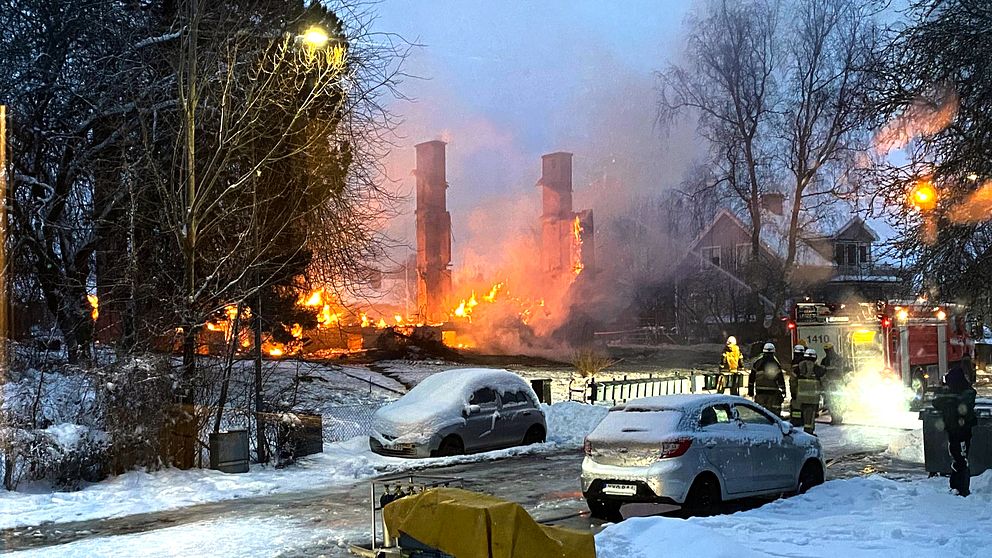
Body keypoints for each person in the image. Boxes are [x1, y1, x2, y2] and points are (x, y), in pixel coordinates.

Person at [932, 366, 978, 496]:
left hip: (963, 431)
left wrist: (950, 399)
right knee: (956, 459)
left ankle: (962, 488)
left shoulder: (968, 392)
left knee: (962, 460)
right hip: (953, 430)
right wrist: (949, 398)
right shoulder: (950, 392)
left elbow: (963, 402)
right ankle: (956, 486)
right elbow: (936, 402)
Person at [790, 348, 822, 434]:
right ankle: (808, 433)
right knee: (810, 418)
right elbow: (824, 382)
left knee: (799, 413)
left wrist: (793, 392)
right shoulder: (818, 369)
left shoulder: (798, 368)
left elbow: (792, 380)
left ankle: (798, 427)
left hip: (800, 397)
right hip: (813, 399)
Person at [749, 342, 786, 416]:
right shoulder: (775, 363)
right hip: (772, 392)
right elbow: (780, 378)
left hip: (760, 392)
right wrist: (783, 390)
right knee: (772, 414)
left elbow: (752, 377)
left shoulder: (757, 362)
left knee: (760, 413)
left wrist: (751, 391)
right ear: (773, 351)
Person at [819, 342, 846, 424]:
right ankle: (835, 417)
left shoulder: (837, 359)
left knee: (836, 401)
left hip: (835, 383)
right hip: (833, 383)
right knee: (833, 401)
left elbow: (838, 370)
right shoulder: (828, 360)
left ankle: (837, 417)